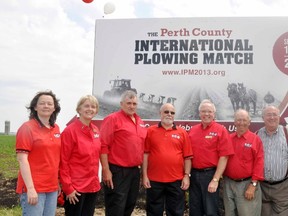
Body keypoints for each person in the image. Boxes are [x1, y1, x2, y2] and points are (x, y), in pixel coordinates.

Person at [100, 90, 147, 216]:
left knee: (129, 205)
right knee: (116, 207)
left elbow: (142, 149)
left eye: (134, 103)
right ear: (121, 104)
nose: (132, 106)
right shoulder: (112, 119)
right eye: (129, 103)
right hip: (117, 171)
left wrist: (143, 172)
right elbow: (103, 146)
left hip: (134, 171)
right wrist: (106, 170)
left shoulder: (140, 122)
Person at [15, 90, 61, 216]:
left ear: (54, 108)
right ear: (35, 107)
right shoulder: (27, 128)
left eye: (49, 104)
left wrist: (56, 182)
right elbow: (22, 160)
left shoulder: (56, 128)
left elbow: (53, 158)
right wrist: (30, 189)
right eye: (42, 103)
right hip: (34, 187)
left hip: (51, 187)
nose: (46, 106)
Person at [142, 103, 193, 216]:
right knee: (153, 212)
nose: (169, 114)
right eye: (166, 112)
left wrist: (186, 176)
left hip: (176, 181)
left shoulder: (182, 133)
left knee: (176, 212)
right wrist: (145, 175)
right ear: (160, 113)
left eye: (172, 112)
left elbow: (187, 157)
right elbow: (145, 154)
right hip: (154, 180)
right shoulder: (150, 131)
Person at [188, 99, 234, 216]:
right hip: (194, 175)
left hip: (210, 175)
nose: (206, 114)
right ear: (199, 114)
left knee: (211, 211)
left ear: (214, 114)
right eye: (203, 111)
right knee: (194, 209)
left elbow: (224, 157)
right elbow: (188, 156)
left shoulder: (221, 130)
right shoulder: (193, 131)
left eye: (209, 111)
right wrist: (187, 175)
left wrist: (215, 179)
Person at [60, 95, 101, 216]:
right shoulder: (70, 131)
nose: (90, 109)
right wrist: (68, 188)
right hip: (76, 188)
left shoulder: (95, 130)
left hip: (92, 186)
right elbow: (63, 161)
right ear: (79, 109)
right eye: (86, 106)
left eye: (93, 107)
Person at [223, 109, 264, 216]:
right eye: (238, 120)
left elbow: (259, 163)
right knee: (229, 213)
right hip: (228, 183)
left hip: (247, 184)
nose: (241, 123)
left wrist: (253, 185)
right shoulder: (228, 138)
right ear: (234, 122)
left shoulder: (255, 139)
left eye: (244, 120)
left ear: (249, 122)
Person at [257, 105, 288, 216]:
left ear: (279, 117)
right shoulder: (257, 135)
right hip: (262, 188)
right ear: (263, 118)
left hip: (282, 188)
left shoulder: (286, 133)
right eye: (268, 115)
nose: (272, 117)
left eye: (275, 114)